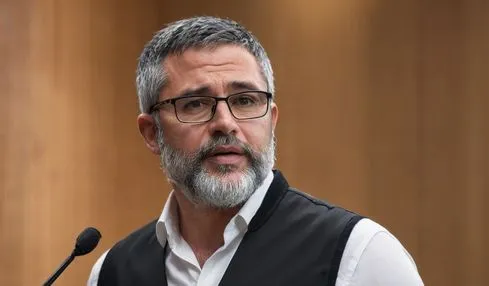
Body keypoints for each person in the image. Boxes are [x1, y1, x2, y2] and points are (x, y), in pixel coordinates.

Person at [88, 16, 423, 286]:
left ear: (271, 119)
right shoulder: (112, 273)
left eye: (245, 101)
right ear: (151, 133)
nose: (226, 123)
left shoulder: (358, 254)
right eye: (195, 104)